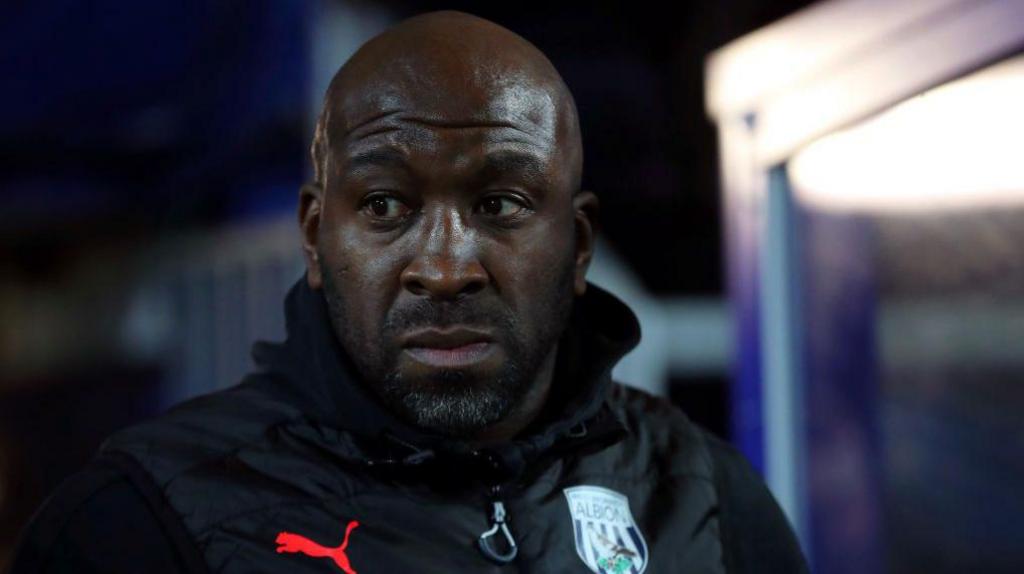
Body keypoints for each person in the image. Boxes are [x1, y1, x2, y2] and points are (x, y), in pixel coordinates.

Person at [7, 10, 807, 574]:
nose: (447, 267)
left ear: (580, 245)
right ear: (317, 237)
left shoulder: (710, 502)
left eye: (500, 204)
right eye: (386, 207)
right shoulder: (137, 526)